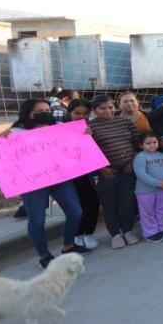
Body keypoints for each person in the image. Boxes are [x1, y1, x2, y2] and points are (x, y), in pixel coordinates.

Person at [5, 99, 86, 269]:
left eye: (48, 110)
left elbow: (73, 141)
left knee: (75, 212)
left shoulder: (57, 126)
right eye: (40, 110)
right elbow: (4, 153)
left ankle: (68, 246)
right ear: (28, 113)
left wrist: (86, 133)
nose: (45, 113)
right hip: (32, 182)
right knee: (37, 219)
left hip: (59, 178)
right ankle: (44, 255)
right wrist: (1, 140)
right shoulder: (15, 131)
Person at [88, 94, 140, 249]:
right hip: (105, 172)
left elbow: (137, 142)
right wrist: (102, 168)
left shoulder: (125, 122)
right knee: (109, 204)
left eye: (110, 107)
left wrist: (133, 161)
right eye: (102, 108)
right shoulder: (90, 127)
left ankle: (128, 231)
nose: (108, 111)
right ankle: (115, 234)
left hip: (127, 169)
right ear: (95, 110)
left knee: (127, 202)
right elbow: (87, 151)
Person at [66, 99, 101, 250]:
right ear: (69, 113)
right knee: (77, 206)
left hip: (90, 171)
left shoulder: (92, 126)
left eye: (86, 113)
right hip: (69, 175)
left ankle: (89, 233)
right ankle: (77, 235)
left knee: (93, 202)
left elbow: (99, 150)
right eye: (77, 113)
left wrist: (91, 137)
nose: (82, 116)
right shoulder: (58, 129)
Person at [132, 132, 163, 243]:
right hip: (145, 192)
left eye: (154, 142)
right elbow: (141, 174)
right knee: (148, 212)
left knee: (161, 210)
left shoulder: (162, 156)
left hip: (162, 189)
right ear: (141, 145)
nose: (152, 145)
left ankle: (161, 229)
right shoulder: (140, 157)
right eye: (148, 143)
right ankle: (150, 233)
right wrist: (157, 183)